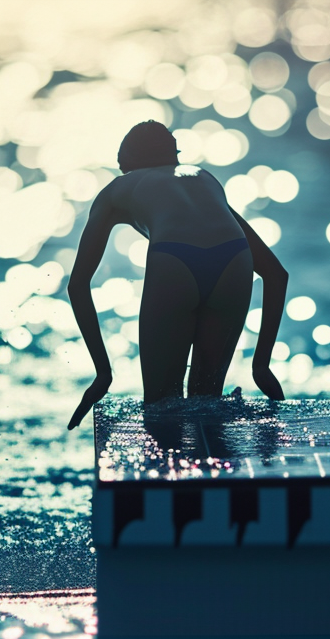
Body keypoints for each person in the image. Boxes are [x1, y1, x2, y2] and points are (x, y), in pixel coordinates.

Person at [66, 121, 288, 430]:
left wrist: (103, 373)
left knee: (161, 410)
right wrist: (261, 365)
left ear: (126, 163)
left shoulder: (117, 189)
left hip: (174, 259)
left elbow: (77, 285)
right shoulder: (203, 179)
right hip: (234, 259)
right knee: (206, 404)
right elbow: (276, 275)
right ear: (175, 157)